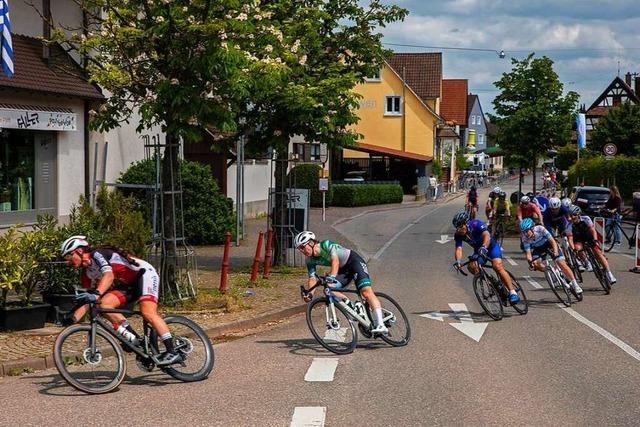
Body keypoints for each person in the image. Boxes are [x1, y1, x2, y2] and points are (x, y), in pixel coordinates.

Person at [61, 236, 182, 365]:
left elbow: (109, 275)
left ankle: (172, 351)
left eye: (68, 256)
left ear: (79, 251)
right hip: (129, 285)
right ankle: (134, 339)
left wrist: (96, 294)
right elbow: (88, 301)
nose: (68, 262)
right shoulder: (86, 272)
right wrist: (71, 319)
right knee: (102, 305)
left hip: (144, 274)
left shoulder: (97, 254)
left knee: (147, 312)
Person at [294, 231, 389, 334]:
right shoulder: (309, 260)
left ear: (311, 243)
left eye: (303, 247)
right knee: (329, 290)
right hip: (343, 271)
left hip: (354, 262)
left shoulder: (326, 245)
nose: (302, 251)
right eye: (299, 249)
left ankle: (381, 324)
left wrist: (332, 276)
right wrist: (310, 293)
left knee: (366, 292)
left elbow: (335, 261)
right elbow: (312, 278)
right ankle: (355, 307)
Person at [451, 210, 520, 303]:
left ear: (466, 223)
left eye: (460, 226)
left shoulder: (476, 224)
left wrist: (484, 247)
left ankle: (513, 293)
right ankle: (490, 281)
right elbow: (459, 248)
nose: (459, 230)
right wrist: (458, 261)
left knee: (497, 266)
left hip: (491, 246)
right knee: (471, 266)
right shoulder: (458, 235)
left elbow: (486, 235)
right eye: (457, 228)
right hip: (479, 250)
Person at [519, 218, 583, 296]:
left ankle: (575, 284)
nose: (525, 234)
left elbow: (552, 241)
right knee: (535, 263)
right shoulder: (524, 238)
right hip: (538, 249)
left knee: (561, 263)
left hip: (549, 244)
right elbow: (528, 253)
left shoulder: (540, 229)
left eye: (527, 231)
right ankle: (552, 273)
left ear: (532, 228)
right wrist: (530, 262)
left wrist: (555, 252)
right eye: (523, 232)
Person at [567, 206, 617, 284]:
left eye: (573, 215)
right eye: (570, 215)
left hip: (588, 237)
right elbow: (570, 239)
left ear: (578, 214)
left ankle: (609, 273)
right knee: (577, 248)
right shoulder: (569, 225)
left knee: (598, 253)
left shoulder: (586, 219)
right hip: (578, 240)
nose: (571, 217)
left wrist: (595, 239)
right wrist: (573, 249)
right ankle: (586, 262)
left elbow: (593, 230)